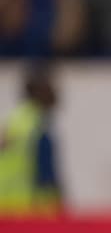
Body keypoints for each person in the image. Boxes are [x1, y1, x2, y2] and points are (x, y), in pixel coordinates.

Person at [0, 63, 63, 214]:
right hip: (26, 209)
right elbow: (46, 175)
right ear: (39, 91)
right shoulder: (36, 127)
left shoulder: (15, 121)